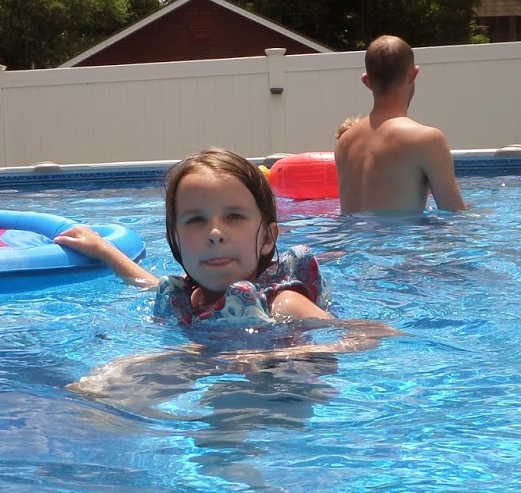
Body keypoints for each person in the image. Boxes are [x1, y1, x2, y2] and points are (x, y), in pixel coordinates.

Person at [55, 147, 333, 325]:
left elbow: (351, 340)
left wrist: (282, 354)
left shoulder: (284, 305)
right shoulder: (190, 296)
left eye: (234, 216)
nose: (215, 233)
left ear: (268, 239)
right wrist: (103, 249)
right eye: (196, 220)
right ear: (173, 240)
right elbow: (147, 283)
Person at [333, 35, 465, 214]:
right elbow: (454, 215)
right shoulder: (426, 139)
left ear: (367, 81)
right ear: (412, 74)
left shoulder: (345, 142)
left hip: (348, 232)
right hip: (400, 233)